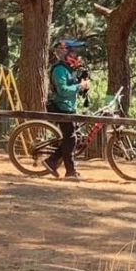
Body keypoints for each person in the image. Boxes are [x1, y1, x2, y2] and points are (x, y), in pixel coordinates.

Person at [45, 39, 89, 180]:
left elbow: (73, 88)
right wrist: (79, 86)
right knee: (71, 139)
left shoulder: (69, 70)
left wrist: (82, 85)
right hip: (60, 107)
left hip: (69, 108)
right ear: (66, 54)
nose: (77, 56)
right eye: (74, 53)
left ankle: (51, 161)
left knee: (72, 139)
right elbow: (63, 91)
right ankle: (70, 171)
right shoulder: (59, 70)